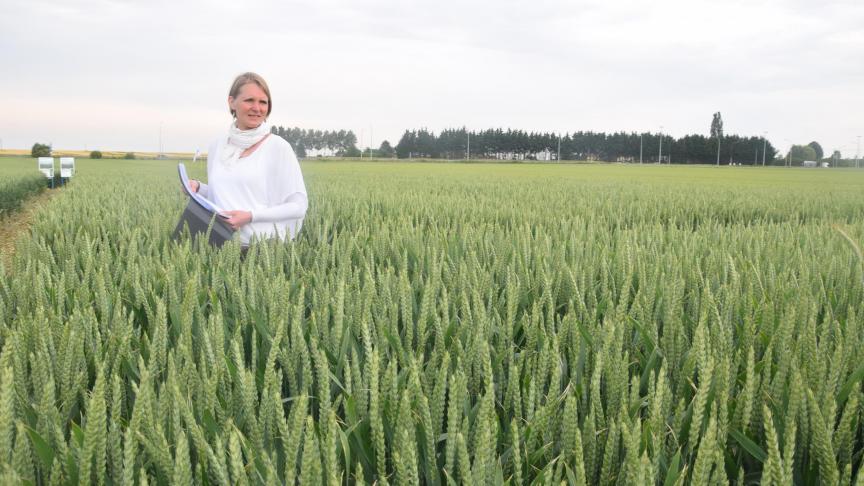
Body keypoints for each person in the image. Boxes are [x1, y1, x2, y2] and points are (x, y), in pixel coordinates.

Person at [188, 72, 307, 247]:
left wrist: (250, 216)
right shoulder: (217, 146)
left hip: (263, 248)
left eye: (263, 102)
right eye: (249, 100)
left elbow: (298, 206)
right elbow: (224, 194)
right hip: (220, 245)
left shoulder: (278, 147)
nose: (257, 108)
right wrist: (198, 188)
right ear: (232, 102)